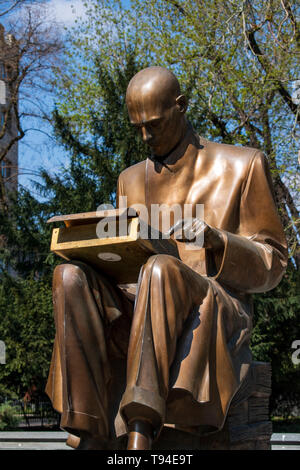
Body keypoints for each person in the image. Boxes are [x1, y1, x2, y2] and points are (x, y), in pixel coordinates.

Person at [45, 66, 287, 450]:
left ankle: (140, 429)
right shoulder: (130, 179)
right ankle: (89, 429)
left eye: (154, 125)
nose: (145, 137)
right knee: (69, 277)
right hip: (142, 303)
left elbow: (273, 262)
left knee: (160, 269)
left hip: (213, 305)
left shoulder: (243, 166)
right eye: (137, 127)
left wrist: (218, 241)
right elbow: (126, 259)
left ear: (182, 107)